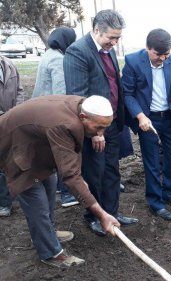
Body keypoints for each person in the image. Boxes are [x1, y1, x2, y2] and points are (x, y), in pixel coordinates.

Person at [0, 95, 120, 267]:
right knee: (36, 201)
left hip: (34, 143)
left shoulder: (83, 105)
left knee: (49, 183)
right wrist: (102, 215)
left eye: (105, 128)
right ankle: (51, 253)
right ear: (83, 117)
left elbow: (71, 159)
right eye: (99, 128)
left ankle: (48, 232)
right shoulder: (63, 124)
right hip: (12, 146)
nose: (101, 134)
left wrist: (78, 178)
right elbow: (70, 176)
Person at [63, 9, 138, 236]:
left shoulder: (108, 50)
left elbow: (113, 84)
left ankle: (112, 212)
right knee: (94, 173)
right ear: (96, 30)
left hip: (112, 123)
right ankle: (94, 216)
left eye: (118, 38)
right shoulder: (77, 52)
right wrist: (96, 132)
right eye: (111, 38)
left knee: (112, 170)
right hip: (94, 128)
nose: (114, 43)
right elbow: (78, 98)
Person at [123, 29, 171, 221]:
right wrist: (140, 116)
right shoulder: (133, 61)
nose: (163, 58)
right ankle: (155, 202)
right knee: (151, 162)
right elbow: (128, 93)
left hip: (170, 117)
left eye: (166, 54)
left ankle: (170, 194)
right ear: (148, 48)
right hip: (148, 119)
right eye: (158, 54)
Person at [32, 26, 79, 208]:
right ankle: (67, 193)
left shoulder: (47, 55)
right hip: (51, 112)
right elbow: (61, 93)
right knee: (63, 149)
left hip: (40, 109)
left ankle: (59, 187)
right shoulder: (59, 60)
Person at [0, 54, 24, 217]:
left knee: (12, 158)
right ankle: (4, 203)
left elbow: (20, 90)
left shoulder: (8, 64)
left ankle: (11, 194)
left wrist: (18, 112)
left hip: (12, 121)